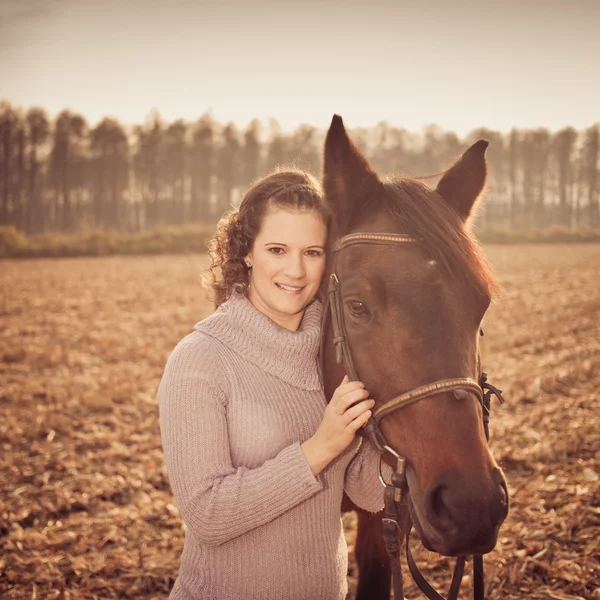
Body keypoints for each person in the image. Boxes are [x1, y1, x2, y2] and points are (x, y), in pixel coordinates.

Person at [157, 168, 388, 600]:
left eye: (313, 252)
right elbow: (208, 515)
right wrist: (320, 447)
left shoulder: (334, 354)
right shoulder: (201, 359)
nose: (296, 270)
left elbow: (363, 489)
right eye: (277, 249)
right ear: (246, 252)